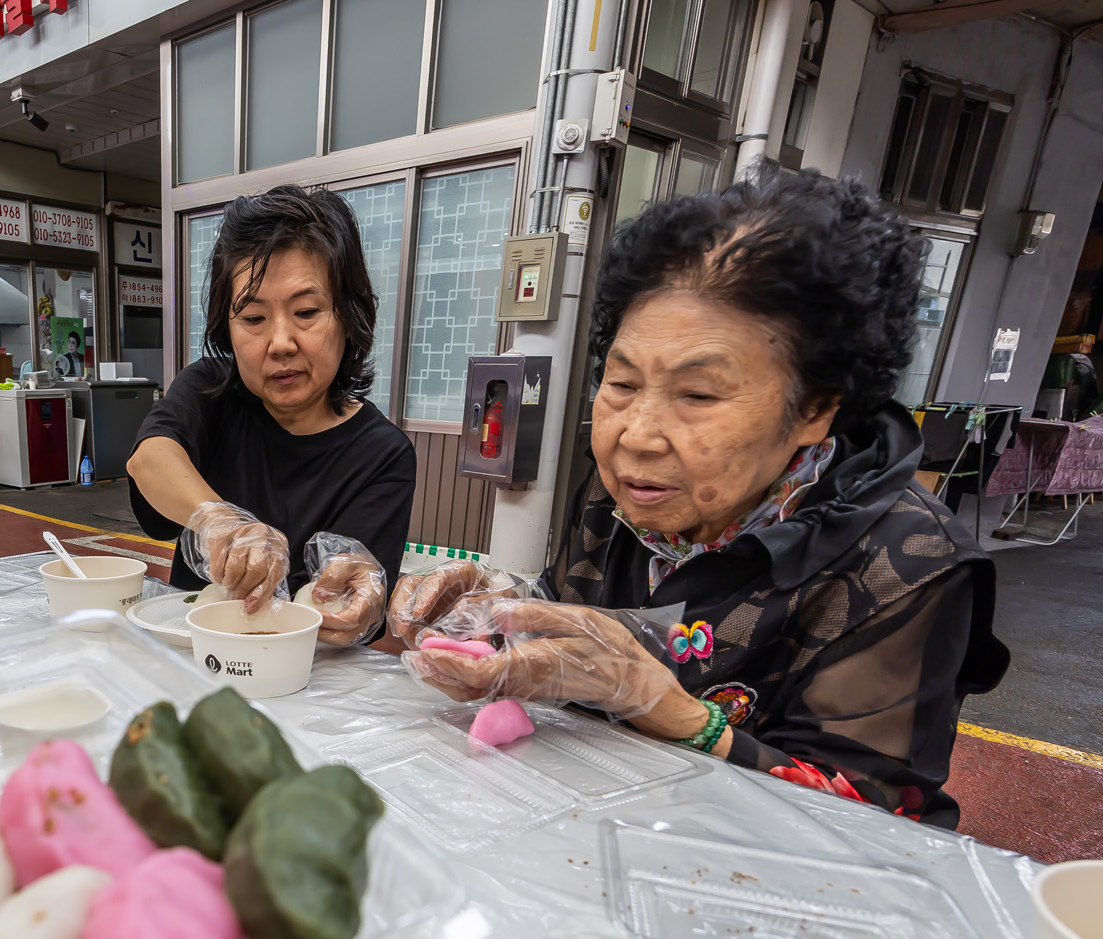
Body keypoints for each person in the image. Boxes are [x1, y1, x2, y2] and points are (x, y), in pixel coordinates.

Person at [390, 169, 1008, 828]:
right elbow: (578, 616)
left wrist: (684, 719)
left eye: (699, 396)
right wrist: (496, 614)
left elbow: (881, 821)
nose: (636, 435)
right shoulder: (628, 489)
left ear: (817, 409)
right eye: (621, 383)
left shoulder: (905, 566)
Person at [127, 185, 415, 648]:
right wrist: (221, 522)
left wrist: (361, 603)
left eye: (306, 312)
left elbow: (361, 594)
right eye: (254, 318)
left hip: (307, 676)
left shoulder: (382, 454)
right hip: (192, 658)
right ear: (229, 328)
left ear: (349, 317)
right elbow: (150, 458)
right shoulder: (211, 390)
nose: (280, 342)